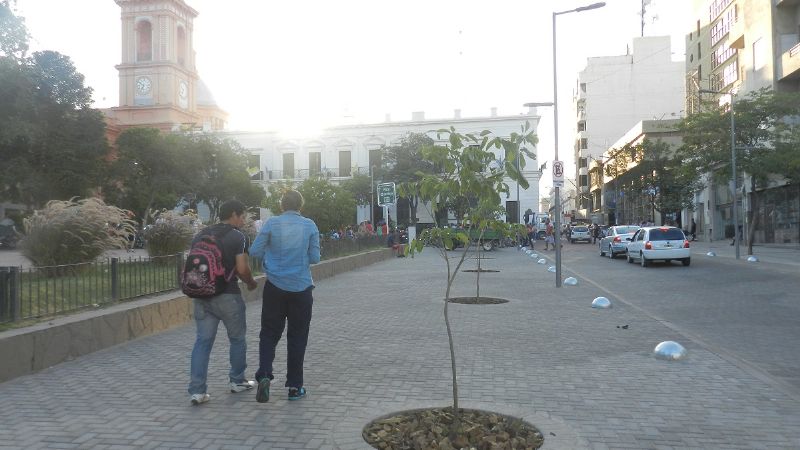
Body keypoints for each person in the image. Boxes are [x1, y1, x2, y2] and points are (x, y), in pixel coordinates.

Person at [249, 190, 320, 403]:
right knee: (297, 337)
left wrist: (270, 261)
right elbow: (315, 257)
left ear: (281, 205)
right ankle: (295, 387)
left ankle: (264, 374)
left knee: (269, 333)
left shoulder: (271, 224)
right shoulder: (309, 225)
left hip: (275, 287)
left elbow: (254, 251)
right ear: (301, 205)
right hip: (301, 288)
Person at [188, 200, 259, 406]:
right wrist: (251, 283)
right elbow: (242, 268)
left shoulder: (201, 234)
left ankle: (197, 391)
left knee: (202, 342)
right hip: (227, 295)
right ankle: (237, 381)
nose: (244, 219)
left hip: (202, 295)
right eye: (242, 215)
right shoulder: (238, 236)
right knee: (237, 339)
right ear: (235, 214)